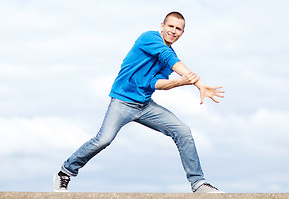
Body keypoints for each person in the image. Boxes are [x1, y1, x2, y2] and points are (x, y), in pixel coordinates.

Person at [54, 11, 225, 193]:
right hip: (122, 102)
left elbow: (156, 83)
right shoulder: (149, 38)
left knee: (183, 131)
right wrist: (199, 84)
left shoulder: (170, 57)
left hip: (145, 106)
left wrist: (179, 82)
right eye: (171, 26)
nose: (173, 31)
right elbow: (167, 57)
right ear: (162, 26)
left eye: (178, 29)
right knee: (103, 140)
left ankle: (198, 183)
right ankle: (65, 172)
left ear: (182, 33)